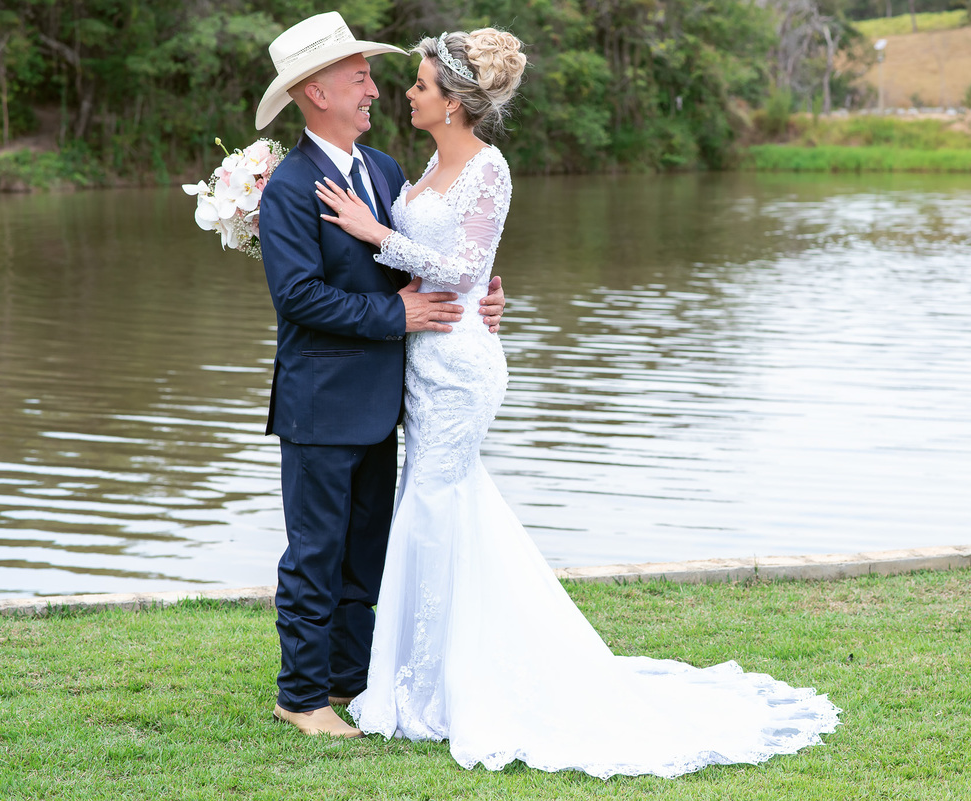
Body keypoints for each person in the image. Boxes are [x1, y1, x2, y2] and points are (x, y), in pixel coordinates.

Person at [312, 27, 841, 778]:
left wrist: (376, 233)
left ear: (454, 102)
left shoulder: (489, 168)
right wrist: (431, 269)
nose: (408, 92)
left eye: (421, 84)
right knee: (435, 507)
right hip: (423, 358)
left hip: (459, 366)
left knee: (433, 502)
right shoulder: (428, 164)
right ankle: (425, 673)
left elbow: (464, 268)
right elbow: (455, 267)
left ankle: (434, 687)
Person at [253, 12, 506, 738]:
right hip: (321, 402)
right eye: (359, 76)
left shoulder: (388, 170)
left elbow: (420, 260)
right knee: (316, 552)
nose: (374, 89)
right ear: (316, 92)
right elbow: (298, 297)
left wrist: (480, 294)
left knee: (365, 554)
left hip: (390, 399)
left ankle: (350, 680)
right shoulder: (289, 187)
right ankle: (302, 696)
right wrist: (397, 315)